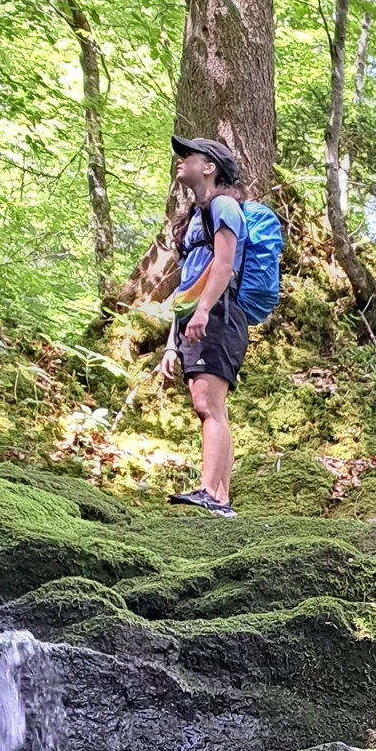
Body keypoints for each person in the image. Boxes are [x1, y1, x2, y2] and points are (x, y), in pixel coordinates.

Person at [160, 135, 250, 517]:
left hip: (219, 316)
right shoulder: (195, 219)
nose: (181, 161)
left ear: (209, 166)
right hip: (197, 317)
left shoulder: (224, 205)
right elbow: (185, 286)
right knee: (210, 406)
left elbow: (224, 263)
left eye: (188, 156)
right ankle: (220, 500)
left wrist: (202, 313)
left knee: (208, 406)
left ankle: (212, 493)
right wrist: (171, 341)